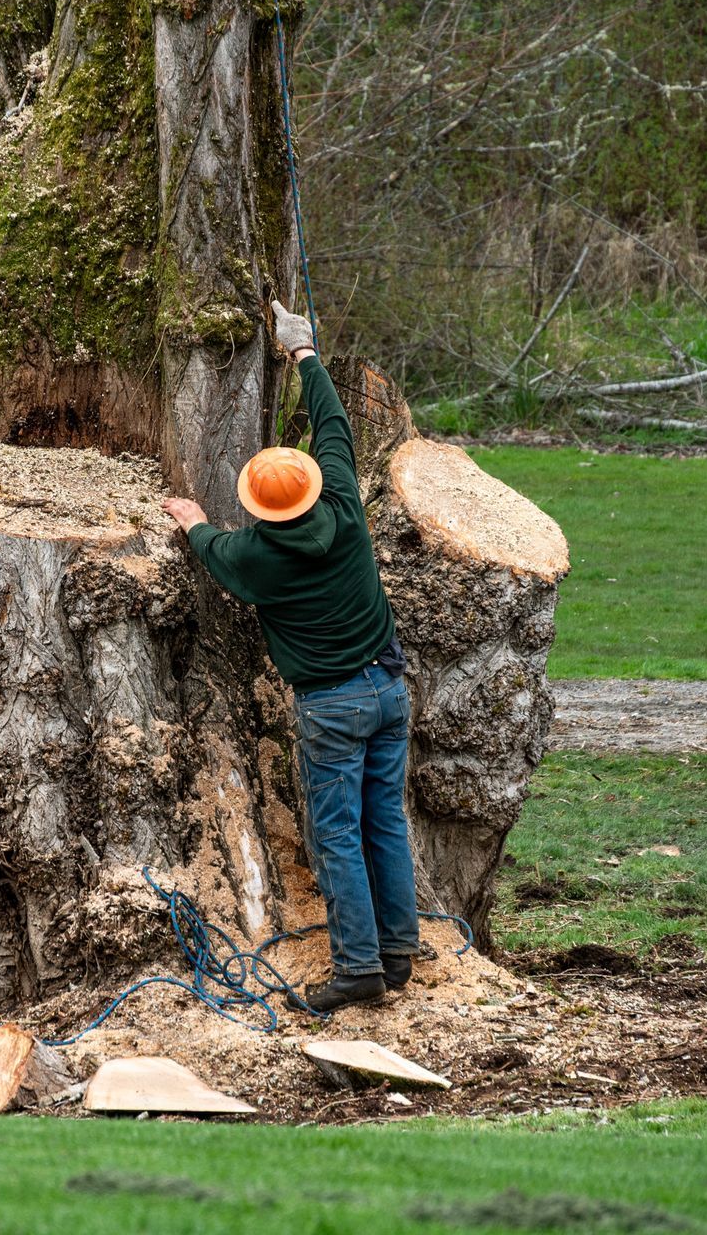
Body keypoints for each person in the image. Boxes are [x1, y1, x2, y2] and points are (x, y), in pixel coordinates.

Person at [160, 300, 419, 1012]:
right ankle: (398, 952)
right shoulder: (341, 501)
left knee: (337, 835)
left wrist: (194, 522)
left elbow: (214, 551)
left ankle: (359, 968)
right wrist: (303, 351)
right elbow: (334, 426)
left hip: (332, 706)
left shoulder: (257, 558)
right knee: (383, 822)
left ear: (262, 508)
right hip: (390, 689)